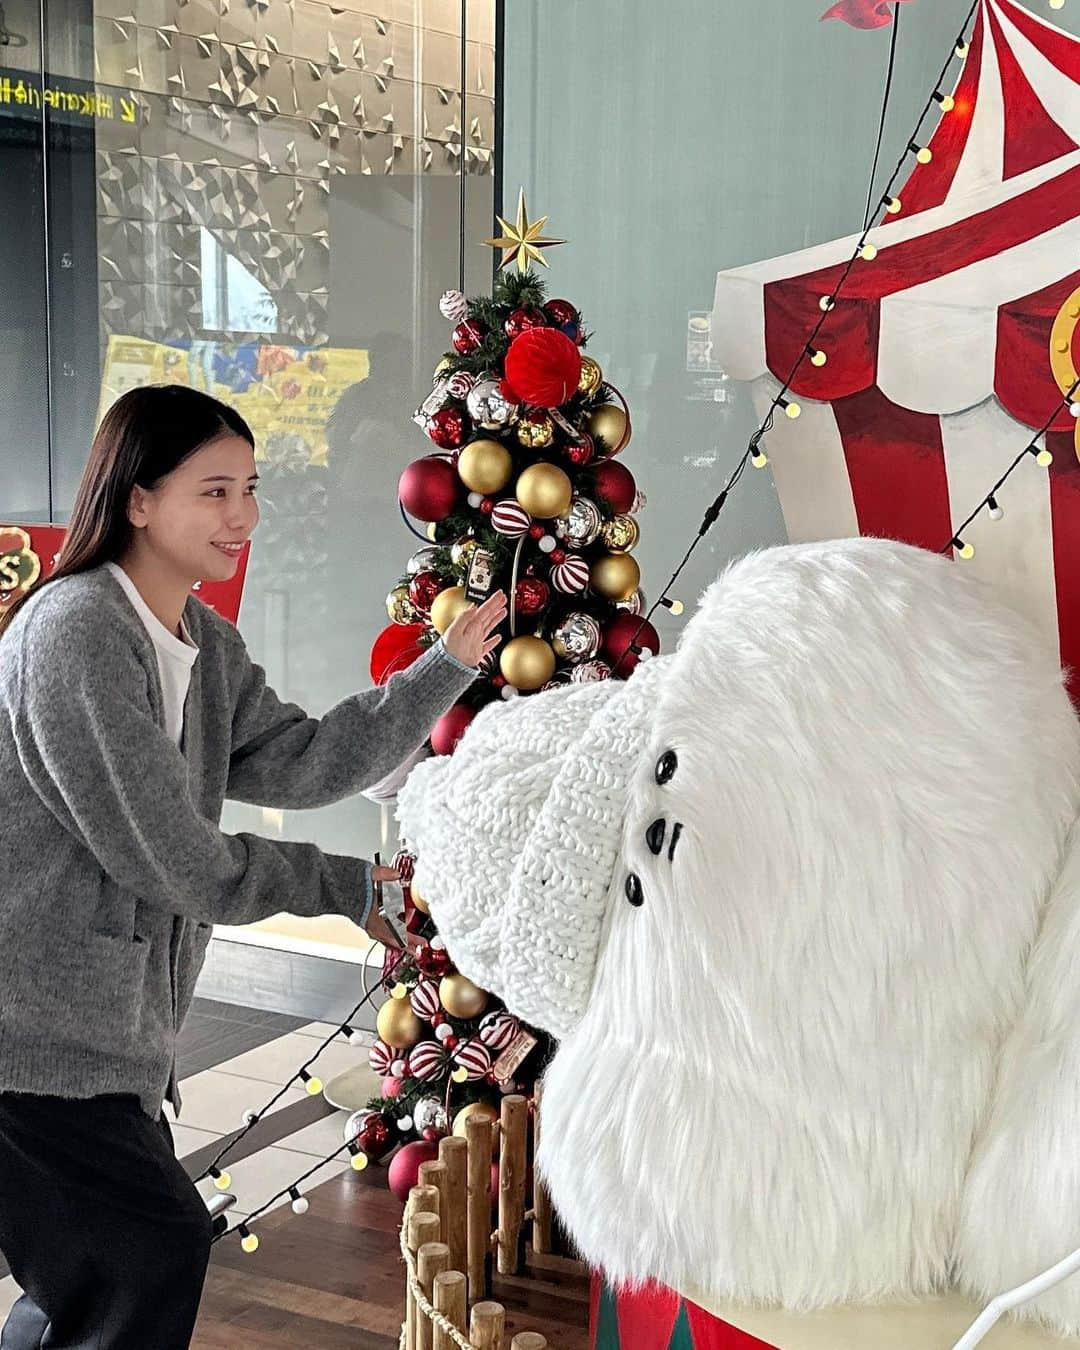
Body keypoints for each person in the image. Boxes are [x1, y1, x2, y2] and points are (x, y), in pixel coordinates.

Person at [0, 383, 506, 1350]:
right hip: (28, 1035)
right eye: (215, 492)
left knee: (91, 1280)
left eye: (251, 489)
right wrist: (346, 888)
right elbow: (174, 858)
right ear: (137, 500)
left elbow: (304, 759)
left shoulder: (200, 640)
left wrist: (442, 666)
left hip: (108, 1041)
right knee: (146, 1255)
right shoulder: (75, 635)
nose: (245, 518)